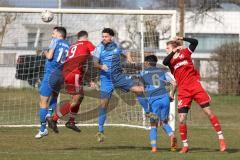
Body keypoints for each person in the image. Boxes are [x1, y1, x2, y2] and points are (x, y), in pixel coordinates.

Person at [163, 36, 226, 153]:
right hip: (183, 91)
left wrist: (182, 38)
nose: (166, 49)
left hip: (195, 87)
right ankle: (185, 145)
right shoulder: (170, 60)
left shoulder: (185, 53)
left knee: (208, 112)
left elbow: (195, 42)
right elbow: (164, 62)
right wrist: (173, 52)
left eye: (167, 47)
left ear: (174, 47)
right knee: (182, 119)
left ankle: (221, 138)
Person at [93, 28, 144, 142]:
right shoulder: (99, 48)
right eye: (103, 36)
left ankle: (149, 112)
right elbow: (94, 63)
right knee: (103, 105)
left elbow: (126, 52)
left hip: (119, 77)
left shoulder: (117, 46)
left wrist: (129, 58)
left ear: (111, 37)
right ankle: (100, 131)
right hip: (106, 80)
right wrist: (101, 66)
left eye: (106, 36)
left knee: (139, 89)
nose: (104, 38)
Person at [47, 30, 96, 133]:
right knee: (76, 98)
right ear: (86, 37)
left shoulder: (73, 46)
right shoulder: (87, 43)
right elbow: (96, 55)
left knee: (79, 97)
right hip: (74, 73)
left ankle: (71, 121)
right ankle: (54, 119)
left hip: (68, 72)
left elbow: (79, 63)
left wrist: (89, 79)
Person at [35, 26, 70, 139]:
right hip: (61, 75)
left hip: (50, 74)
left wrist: (45, 52)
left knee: (43, 101)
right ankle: (50, 114)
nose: (52, 35)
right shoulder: (68, 46)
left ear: (59, 35)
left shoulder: (55, 41)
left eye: (53, 33)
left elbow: (50, 56)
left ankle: (43, 129)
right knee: (55, 95)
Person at [138, 55, 177, 153]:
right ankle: (172, 136)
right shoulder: (163, 72)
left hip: (154, 101)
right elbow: (174, 83)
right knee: (164, 122)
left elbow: (141, 90)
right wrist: (172, 95)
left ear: (147, 63)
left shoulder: (142, 73)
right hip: (165, 99)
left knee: (153, 125)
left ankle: (154, 147)